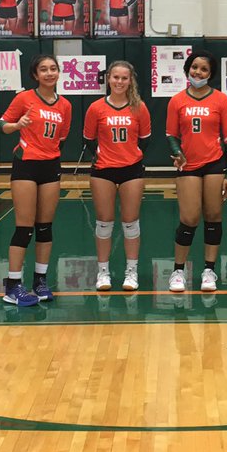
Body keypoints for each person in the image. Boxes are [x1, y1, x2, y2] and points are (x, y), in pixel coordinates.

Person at [0, 54, 72, 306]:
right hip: (26, 164)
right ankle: (12, 285)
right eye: (44, 69)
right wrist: (17, 125)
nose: (49, 73)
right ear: (35, 75)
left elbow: (62, 138)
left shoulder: (65, 105)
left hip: (50, 165)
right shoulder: (24, 98)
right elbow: (2, 125)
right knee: (24, 227)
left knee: (45, 227)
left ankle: (40, 281)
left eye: (53, 68)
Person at [166, 51, 227, 293]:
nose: (198, 72)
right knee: (189, 218)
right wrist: (177, 152)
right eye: (195, 67)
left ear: (210, 73)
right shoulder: (177, 100)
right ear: (188, 69)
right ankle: (178, 271)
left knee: (214, 215)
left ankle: (209, 270)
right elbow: (171, 134)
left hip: (214, 163)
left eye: (204, 69)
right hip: (188, 165)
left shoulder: (221, 100)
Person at [83, 60, 151, 291]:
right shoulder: (96, 108)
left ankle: (131, 272)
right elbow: (89, 139)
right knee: (104, 222)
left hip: (132, 169)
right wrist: (105, 155)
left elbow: (145, 140)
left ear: (130, 81)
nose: (119, 81)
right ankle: (103, 272)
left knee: (131, 222)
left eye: (124, 78)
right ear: (108, 79)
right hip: (103, 170)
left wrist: (129, 154)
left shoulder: (139, 107)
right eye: (115, 77)